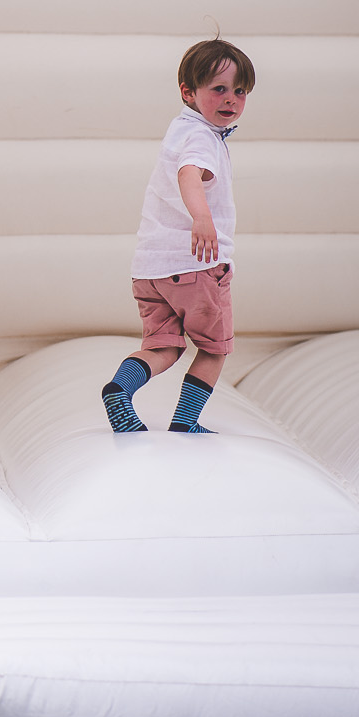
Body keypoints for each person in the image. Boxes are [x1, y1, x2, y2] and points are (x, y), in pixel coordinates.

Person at [100, 39, 255, 434]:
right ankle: (185, 422)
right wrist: (201, 217)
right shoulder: (202, 138)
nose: (231, 100)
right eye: (219, 89)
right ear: (188, 92)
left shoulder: (179, 129)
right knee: (214, 349)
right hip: (196, 267)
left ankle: (121, 390)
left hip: (151, 270)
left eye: (240, 91)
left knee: (162, 348)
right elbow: (190, 173)